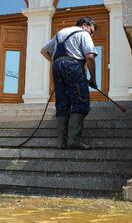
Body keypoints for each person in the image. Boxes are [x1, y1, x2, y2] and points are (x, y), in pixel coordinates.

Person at [40, 16, 97, 149]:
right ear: (85, 25)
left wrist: (56, 62)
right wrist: (93, 78)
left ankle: (61, 142)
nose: (91, 34)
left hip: (58, 68)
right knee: (80, 102)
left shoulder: (61, 33)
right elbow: (89, 56)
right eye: (92, 31)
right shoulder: (84, 33)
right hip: (74, 66)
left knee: (62, 103)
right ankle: (73, 140)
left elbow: (43, 51)